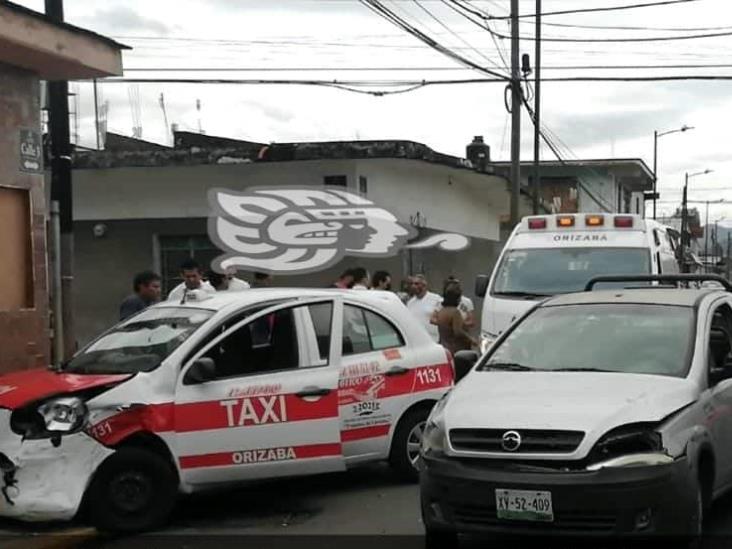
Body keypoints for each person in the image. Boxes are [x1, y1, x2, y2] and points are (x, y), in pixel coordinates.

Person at [433, 285, 477, 357]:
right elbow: (458, 331)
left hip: (444, 347)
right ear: (456, 298)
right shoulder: (455, 312)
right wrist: (471, 339)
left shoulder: (442, 311)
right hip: (456, 349)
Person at [406, 275, 442, 342]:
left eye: (416, 284)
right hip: (416, 340)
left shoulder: (436, 299)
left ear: (424, 285)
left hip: (433, 340)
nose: (413, 286)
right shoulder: (410, 303)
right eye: (412, 284)